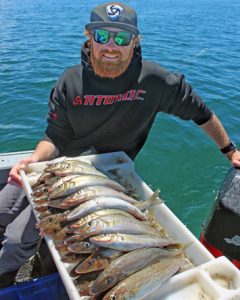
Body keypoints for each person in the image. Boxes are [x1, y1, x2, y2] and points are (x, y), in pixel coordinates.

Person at [0, 2, 240, 288]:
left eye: (122, 37)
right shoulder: (70, 82)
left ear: (135, 41)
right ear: (89, 36)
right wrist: (33, 160)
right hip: (56, 170)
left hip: (109, 176)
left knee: (16, 241)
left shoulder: (155, 81)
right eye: (102, 36)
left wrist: (230, 150)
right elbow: (54, 137)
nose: (111, 46)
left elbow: (202, 114)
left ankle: (6, 277)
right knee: (3, 208)